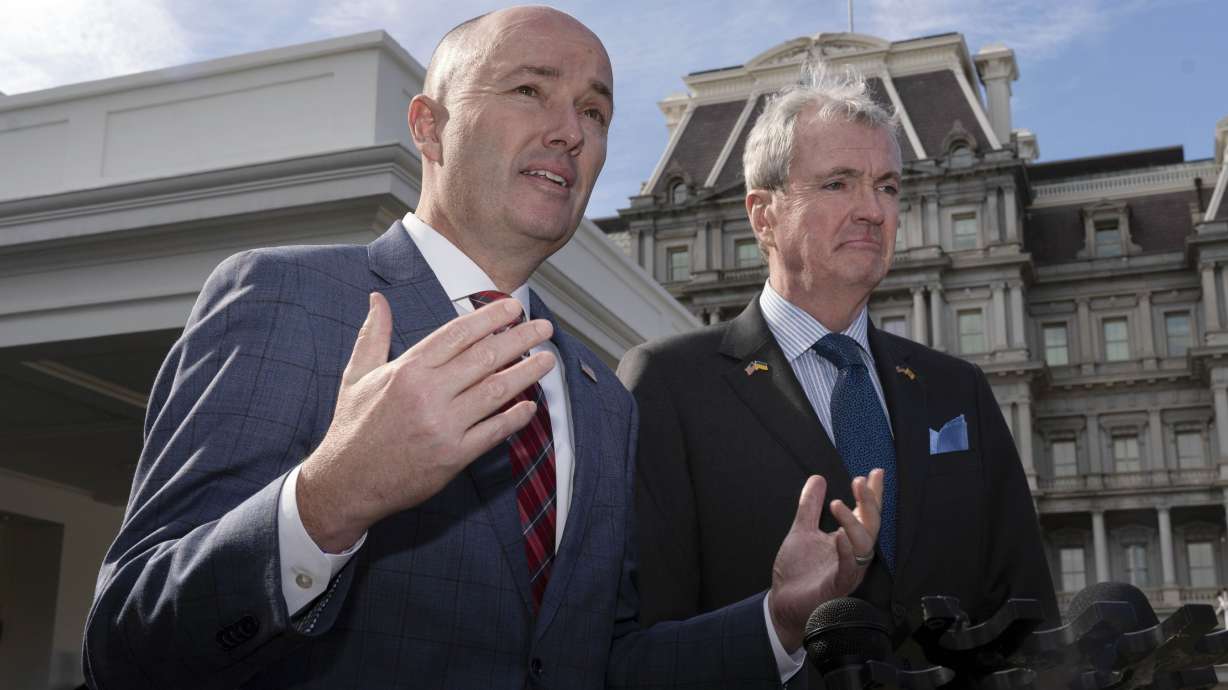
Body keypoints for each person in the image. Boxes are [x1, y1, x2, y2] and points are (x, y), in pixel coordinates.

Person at [83, 8, 883, 689]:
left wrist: (779, 621)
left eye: (596, 112)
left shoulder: (603, 398)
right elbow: (127, 642)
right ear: (429, 126)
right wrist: (329, 499)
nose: (570, 131)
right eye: (530, 90)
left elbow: (606, 662)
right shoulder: (281, 297)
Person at [619, 63, 1059, 686]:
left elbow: (1028, 620)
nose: (872, 211)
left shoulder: (958, 392)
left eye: (887, 186)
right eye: (838, 184)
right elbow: (632, 656)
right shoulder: (667, 385)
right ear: (763, 215)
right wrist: (777, 622)